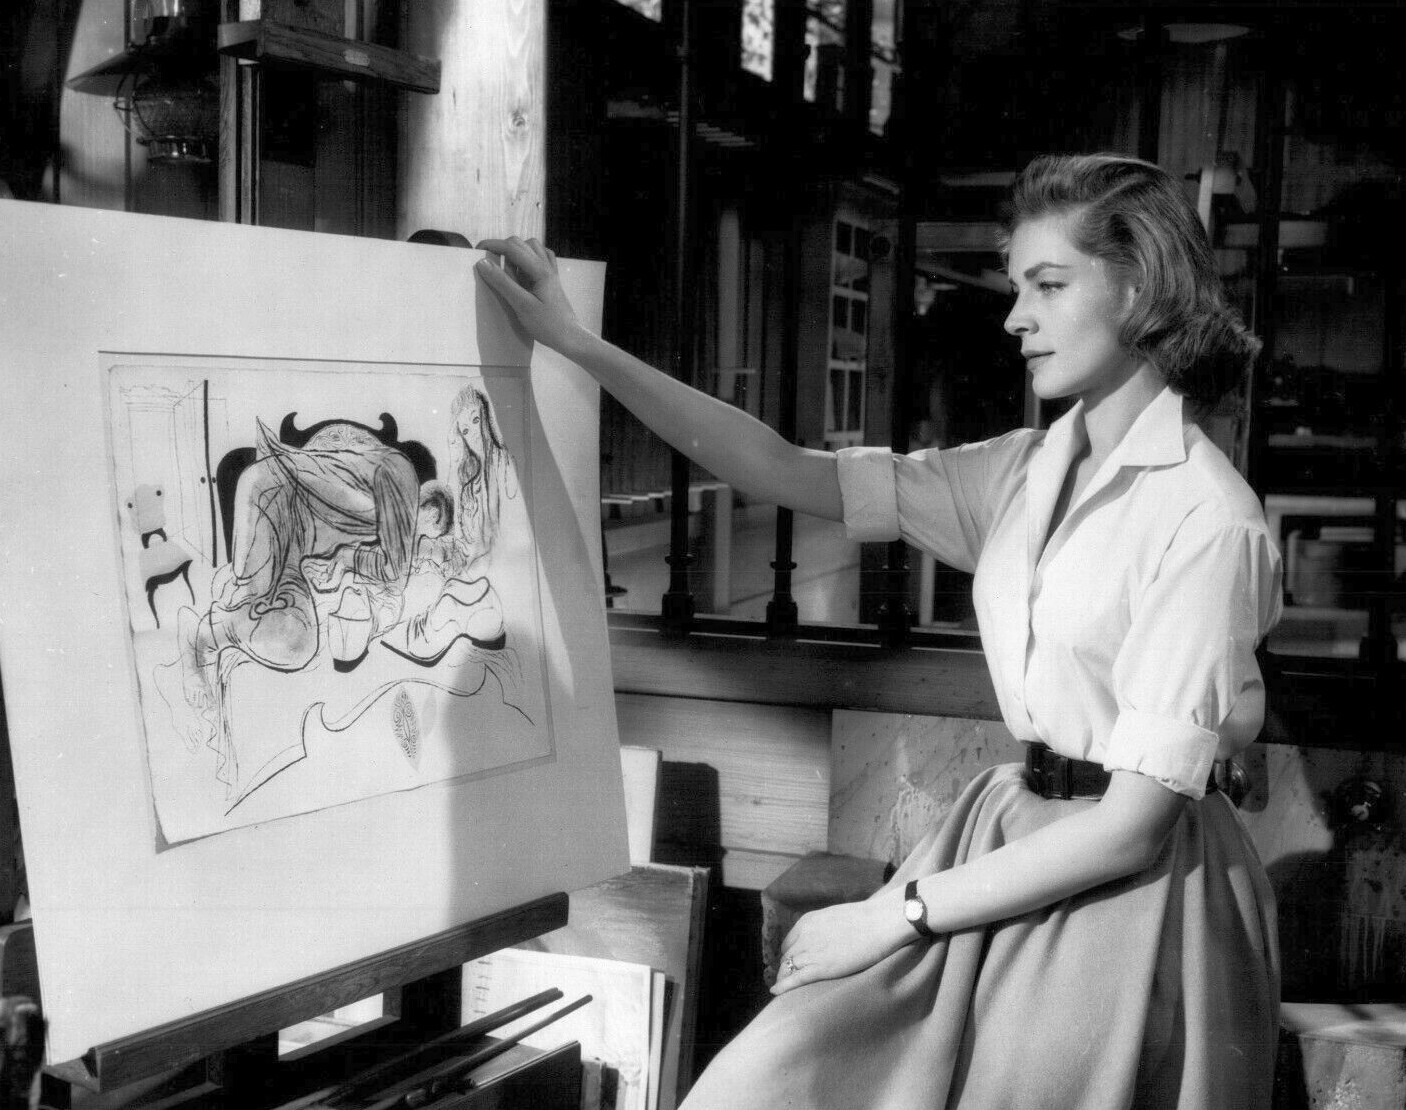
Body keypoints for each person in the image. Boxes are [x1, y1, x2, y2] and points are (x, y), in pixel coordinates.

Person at [475, 152, 1284, 1109]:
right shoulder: (1019, 472)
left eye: (1049, 285)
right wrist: (576, 344)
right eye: (1016, 287)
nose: (1016, 317)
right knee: (755, 1084)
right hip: (1003, 836)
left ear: (1141, 287)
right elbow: (783, 468)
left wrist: (888, 914)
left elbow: (1130, 829)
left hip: (1132, 895)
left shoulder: (1207, 518)